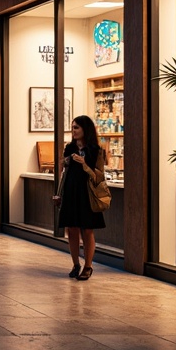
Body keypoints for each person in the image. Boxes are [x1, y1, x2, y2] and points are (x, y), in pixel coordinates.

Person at [54, 115, 106, 281]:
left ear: (85, 129)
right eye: (72, 127)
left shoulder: (95, 151)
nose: (73, 130)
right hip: (70, 191)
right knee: (72, 229)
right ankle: (76, 264)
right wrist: (59, 192)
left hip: (87, 194)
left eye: (76, 127)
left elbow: (99, 176)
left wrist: (84, 163)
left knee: (87, 230)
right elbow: (64, 172)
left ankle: (88, 266)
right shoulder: (69, 148)